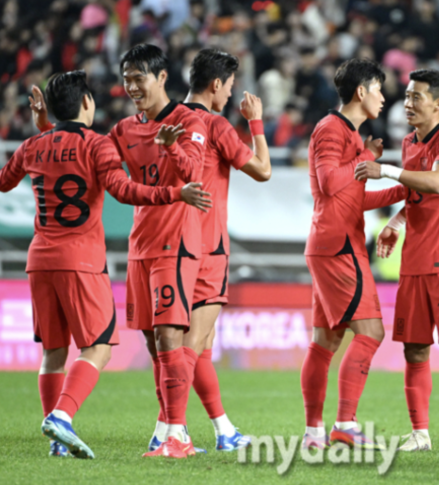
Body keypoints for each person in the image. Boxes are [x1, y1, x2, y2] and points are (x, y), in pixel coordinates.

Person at [14, 71, 210, 459]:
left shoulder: (32, 145)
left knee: (53, 351)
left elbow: (5, 181)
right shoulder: (98, 144)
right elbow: (124, 191)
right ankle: (62, 417)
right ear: (87, 102)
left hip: (38, 260)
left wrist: (43, 130)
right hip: (81, 260)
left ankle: (57, 442)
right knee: (100, 347)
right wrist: (176, 193)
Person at [146, 48, 271, 452]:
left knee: (191, 348)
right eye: (231, 87)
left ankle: (222, 430)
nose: (231, 94)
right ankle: (171, 430)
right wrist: (255, 123)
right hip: (207, 247)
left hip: (165, 242)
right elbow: (263, 170)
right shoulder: (214, 125)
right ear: (216, 84)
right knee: (191, 346)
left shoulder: (163, 120)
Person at [355, 69, 439, 454]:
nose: (407, 104)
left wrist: (385, 170)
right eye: (406, 96)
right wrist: (396, 221)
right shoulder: (409, 142)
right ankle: (420, 434)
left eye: (416, 97)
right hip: (415, 260)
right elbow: (416, 193)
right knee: (415, 349)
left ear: (438, 104)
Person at [301, 58, 405, 450]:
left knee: (325, 342)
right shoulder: (332, 129)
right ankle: (345, 423)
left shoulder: (348, 134)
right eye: (378, 89)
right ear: (361, 92)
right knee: (372, 332)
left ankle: (314, 433)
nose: (382, 96)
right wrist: (367, 159)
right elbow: (330, 183)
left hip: (329, 241)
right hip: (340, 246)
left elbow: (351, 197)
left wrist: (402, 187)